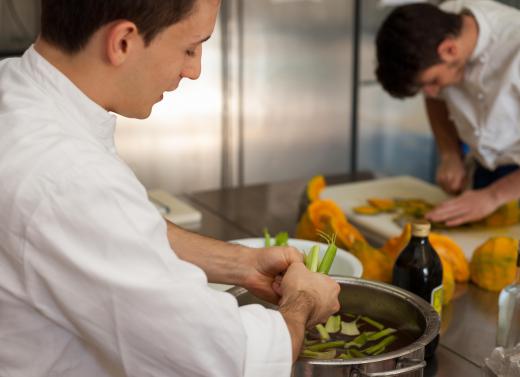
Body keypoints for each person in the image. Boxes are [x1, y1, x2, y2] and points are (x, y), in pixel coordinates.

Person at [0, 1, 341, 376]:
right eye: (191, 48)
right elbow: (225, 359)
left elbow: (115, 231)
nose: (194, 70)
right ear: (124, 42)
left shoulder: (15, 90)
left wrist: (239, 264)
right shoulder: (69, 179)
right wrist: (303, 301)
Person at [375, 0, 520, 227]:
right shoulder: (441, 23)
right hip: (483, 168)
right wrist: (449, 153)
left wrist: (493, 196)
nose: (431, 92)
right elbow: (435, 99)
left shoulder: (516, 46)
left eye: (433, 81)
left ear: (449, 49)